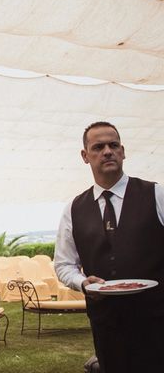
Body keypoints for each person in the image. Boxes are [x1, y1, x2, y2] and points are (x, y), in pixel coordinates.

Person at [54, 121, 164, 373]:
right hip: (106, 324)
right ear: (85, 156)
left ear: (123, 151)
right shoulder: (74, 208)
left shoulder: (156, 194)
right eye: (98, 146)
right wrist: (83, 283)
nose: (107, 151)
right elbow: (63, 264)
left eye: (113, 145)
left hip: (157, 320)